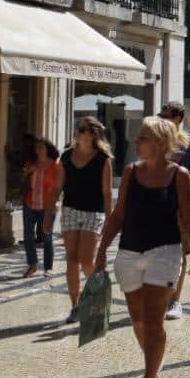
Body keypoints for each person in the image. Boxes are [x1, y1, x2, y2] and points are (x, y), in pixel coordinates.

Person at [94, 120, 190, 378]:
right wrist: (101, 249)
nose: (136, 142)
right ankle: (153, 361)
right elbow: (118, 215)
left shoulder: (179, 176)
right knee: (138, 319)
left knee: (154, 320)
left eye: (142, 137)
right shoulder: (131, 172)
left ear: (159, 142)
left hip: (165, 252)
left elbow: (188, 219)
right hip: (129, 252)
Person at [57, 117, 115, 324]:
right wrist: (48, 212)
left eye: (82, 130)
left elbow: (107, 193)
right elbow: (58, 186)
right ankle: (76, 305)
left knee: (86, 259)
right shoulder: (65, 156)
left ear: (93, 135)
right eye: (77, 129)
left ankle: (97, 292)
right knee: (71, 259)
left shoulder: (103, 159)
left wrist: (110, 220)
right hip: (70, 210)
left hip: (94, 212)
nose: (78, 132)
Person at [161, 102, 190, 320]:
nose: (163, 118)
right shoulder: (156, 138)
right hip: (157, 202)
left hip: (182, 203)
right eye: (161, 115)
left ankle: (175, 300)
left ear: (179, 118)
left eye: (167, 116)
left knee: (179, 252)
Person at [20, 138, 63, 278]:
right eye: (36, 147)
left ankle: (48, 268)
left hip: (48, 206)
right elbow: (23, 180)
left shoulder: (56, 165)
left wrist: (58, 202)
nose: (37, 150)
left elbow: (60, 186)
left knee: (47, 237)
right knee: (28, 236)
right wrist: (28, 172)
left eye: (41, 147)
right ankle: (32, 265)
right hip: (30, 204)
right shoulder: (31, 163)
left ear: (47, 149)